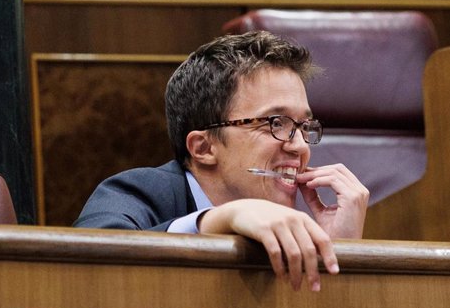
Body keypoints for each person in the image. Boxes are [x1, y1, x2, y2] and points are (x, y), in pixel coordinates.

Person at [74, 31, 369, 292]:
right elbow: (84, 268)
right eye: (276, 122)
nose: (300, 145)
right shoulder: (140, 191)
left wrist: (338, 254)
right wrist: (219, 219)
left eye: (305, 126)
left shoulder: (302, 226)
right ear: (203, 147)